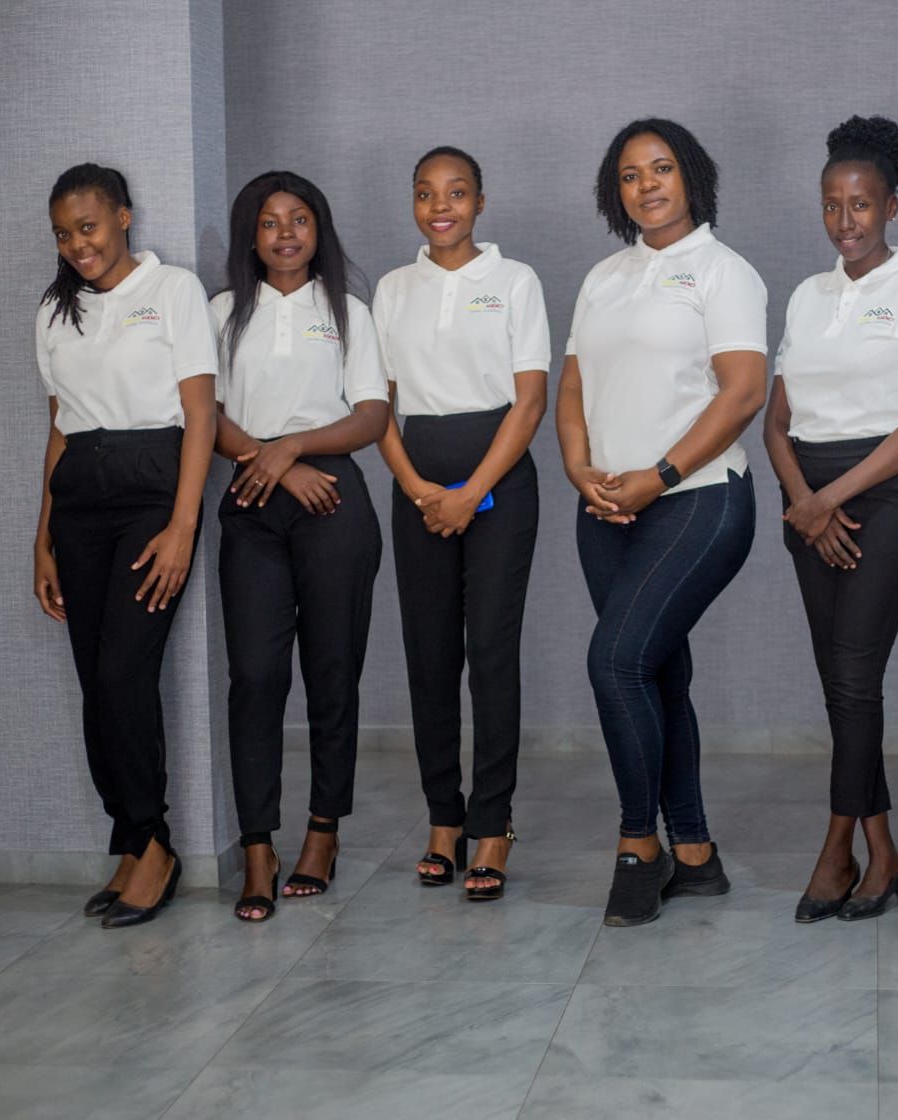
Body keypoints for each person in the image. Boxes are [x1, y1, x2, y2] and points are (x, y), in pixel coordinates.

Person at [557, 117, 767, 927]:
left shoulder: (723, 272)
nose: (647, 186)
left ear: (692, 177)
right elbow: (572, 385)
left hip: (698, 498)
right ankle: (697, 854)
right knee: (656, 672)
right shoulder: (603, 277)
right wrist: (580, 468)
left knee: (616, 663)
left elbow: (742, 392)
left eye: (662, 169)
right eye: (631, 175)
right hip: (605, 505)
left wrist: (661, 475)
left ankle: (637, 843)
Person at [765, 115, 898, 923]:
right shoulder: (807, 298)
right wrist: (803, 502)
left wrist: (827, 501)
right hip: (808, 499)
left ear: (892, 207)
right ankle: (886, 852)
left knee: (853, 674)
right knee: (843, 684)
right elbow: (775, 421)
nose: (847, 221)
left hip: (889, 489)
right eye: (833, 206)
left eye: (863, 205)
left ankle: (838, 847)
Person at [33, 163, 217, 929]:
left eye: (89, 226)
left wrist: (182, 526)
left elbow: (200, 417)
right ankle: (132, 840)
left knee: (122, 675)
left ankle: (155, 843)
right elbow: (58, 424)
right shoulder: (53, 311)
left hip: (151, 494)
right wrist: (41, 538)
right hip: (79, 502)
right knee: (92, 681)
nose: (79, 245)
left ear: (124, 218)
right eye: (65, 234)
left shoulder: (172, 292)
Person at [210, 171, 387, 921]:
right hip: (252, 501)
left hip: (333, 498)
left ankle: (322, 832)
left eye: (300, 219)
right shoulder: (221, 313)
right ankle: (258, 846)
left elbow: (373, 415)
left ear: (320, 231)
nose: (285, 232)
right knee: (254, 676)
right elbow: (203, 411)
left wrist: (295, 450)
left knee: (332, 671)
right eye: (269, 221)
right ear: (250, 235)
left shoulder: (347, 312)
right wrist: (274, 463)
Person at [373, 146, 548, 901]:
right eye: (424, 193)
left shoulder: (514, 282)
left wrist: (469, 488)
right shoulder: (390, 289)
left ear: (480, 200)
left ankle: (492, 825)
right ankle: (443, 820)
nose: (439, 205)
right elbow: (375, 402)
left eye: (455, 192)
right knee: (430, 654)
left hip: (498, 479)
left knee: (490, 651)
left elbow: (531, 401)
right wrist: (417, 487)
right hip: (417, 479)